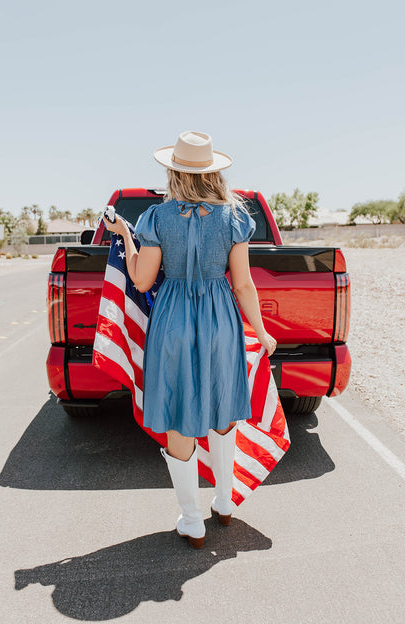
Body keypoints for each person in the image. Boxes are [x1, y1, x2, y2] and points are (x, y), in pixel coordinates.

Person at [103, 130, 277, 549]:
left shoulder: (157, 219)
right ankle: (224, 502)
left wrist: (126, 237)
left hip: (174, 321)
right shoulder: (235, 218)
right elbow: (244, 286)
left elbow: (142, 278)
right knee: (222, 407)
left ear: (173, 172)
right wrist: (263, 331)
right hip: (221, 320)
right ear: (214, 173)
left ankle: (192, 520)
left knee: (179, 413)